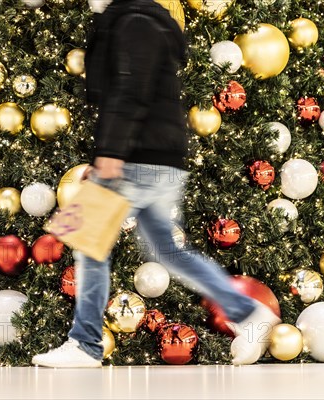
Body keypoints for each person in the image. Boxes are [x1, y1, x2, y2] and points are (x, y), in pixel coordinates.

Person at [31, 0, 281, 368]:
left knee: (87, 240)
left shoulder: (137, 22)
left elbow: (131, 91)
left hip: (136, 156)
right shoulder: (136, 20)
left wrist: (111, 152)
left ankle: (84, 344)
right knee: (169, 251)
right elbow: (109, 85)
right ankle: (248, 314)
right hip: (156, 157)